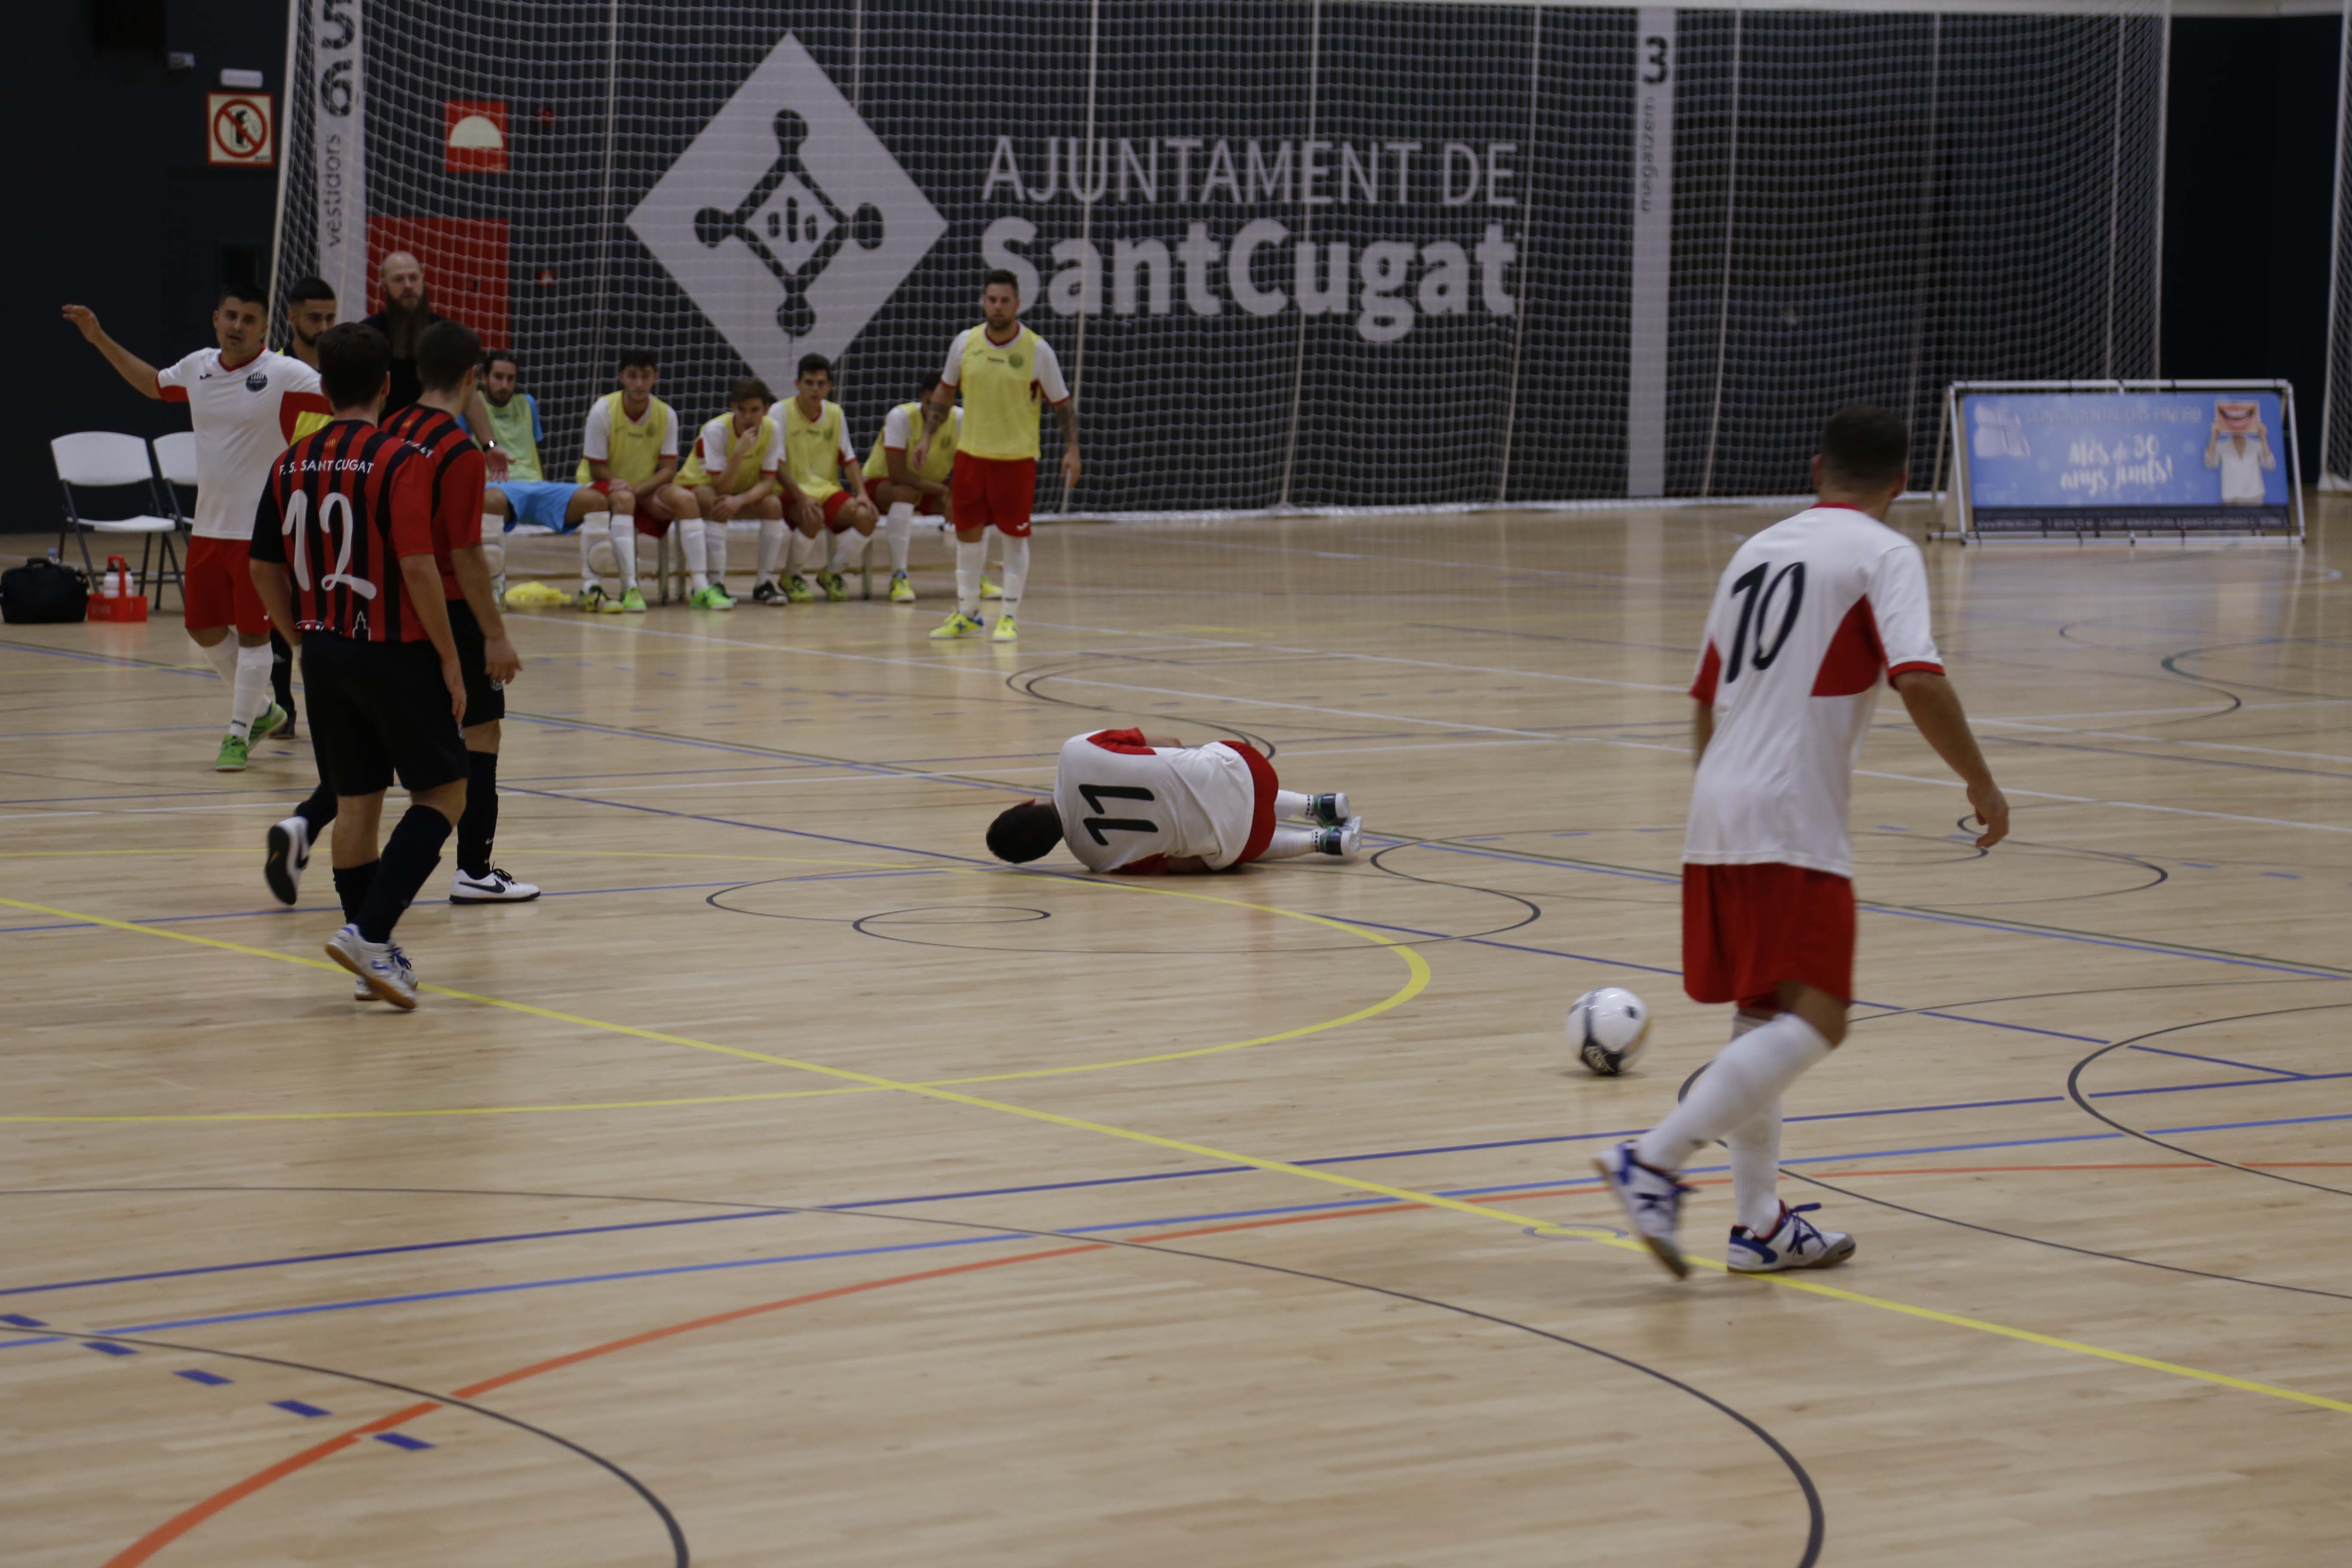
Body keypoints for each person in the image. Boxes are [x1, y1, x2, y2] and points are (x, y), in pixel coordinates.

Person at [1591, 404, 2010, 1279]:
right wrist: (1980, 780)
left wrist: (1723, 805)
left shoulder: (1757, 549)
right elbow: (1918, 678)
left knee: (1765, 1015)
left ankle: (1760, 1227)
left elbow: (1705, 696)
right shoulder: (1881, 551)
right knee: (1821, 1020)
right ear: (1902, 482)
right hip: (1789, 817)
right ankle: (1653, 1161)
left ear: (1816, 467)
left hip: (1718, 810)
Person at [247, 322, 469, 1008]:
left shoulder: (290, 462)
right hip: (391, 648)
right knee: (444, 795)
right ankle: (370, 934)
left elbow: (262, 567)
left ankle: (368, 953)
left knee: (355, 804)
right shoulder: (400, 459)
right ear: (385, 386)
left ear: (322, 382)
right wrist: (451, 660)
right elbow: (417, 566)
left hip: (325, 651)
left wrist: (298, 637)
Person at [62, 285, 328, 770]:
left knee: (253, 635)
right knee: (202, 628)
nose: (238, 326)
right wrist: (98, 337)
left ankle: (237, 733)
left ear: (266, 327)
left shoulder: (287, 373)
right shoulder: (198, 366)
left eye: (250, 319)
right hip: (208, 529)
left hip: (261, 533)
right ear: (216, 318)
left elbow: (346, 398)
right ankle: (265, 710)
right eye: (231, 316)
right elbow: (152, 383)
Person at [381, 321, 539, 905]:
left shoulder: (390, 429)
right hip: (449, 608)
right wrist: (495, 635)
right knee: (482, 735)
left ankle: (308, 826)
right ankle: (474, 868)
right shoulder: (460, 452)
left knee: (386, 746)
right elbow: (465, 552)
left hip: (393, 608)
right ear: (474, 378)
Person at [919, 269, 1080, 643]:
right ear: (983, 302)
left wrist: (1072, 449)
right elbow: (944, 392)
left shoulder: (1038, 351)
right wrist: (928, 437)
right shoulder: (965, 343)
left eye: (1005, 300)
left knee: (1013, 538)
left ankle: (1008, 614)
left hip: (1017, 459)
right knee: (967, 536)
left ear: (1017, 304)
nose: (997, 307)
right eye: (992, 299)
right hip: (972, 456)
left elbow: (1062, 405)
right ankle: (968, 612)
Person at [985, 728, 1362, 874]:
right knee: (1214, 777)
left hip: (1251, 840)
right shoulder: (1074, 752)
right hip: (1252, 768)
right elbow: (1169, 742)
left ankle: (1322, 842)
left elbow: (1181, 865)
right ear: (1025, 803)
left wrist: (1221, 857)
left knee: (1222, 838)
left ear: (1046, 851)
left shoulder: (1096, 859)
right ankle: (1317, 804)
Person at [574, 350, 704, 612]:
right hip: (601, 486)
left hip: (642, 487)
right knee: (623, 498)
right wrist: (632, 492)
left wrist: (638, 491)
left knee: (687, 499)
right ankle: (630, 588)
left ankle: (702, 587)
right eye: (633, 377)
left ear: (655, 378)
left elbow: (668, 470)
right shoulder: (603, 410)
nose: (639, 384)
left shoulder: (666, 414)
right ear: (622, 377)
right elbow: (597, 468)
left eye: (645, 377)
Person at [362, 251, 509, 482]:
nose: (408, 286)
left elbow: (469, 394)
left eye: (414, 278)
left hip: (436, 445)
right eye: (399, 280)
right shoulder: (369, 335)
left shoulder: (445, 333)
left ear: (423, 278)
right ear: (383, 285)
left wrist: (489, 446)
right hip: (383, 448)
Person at [478, 350, 605, 596]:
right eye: (498, 377)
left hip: (535, 486)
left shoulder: (527, 403)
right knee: (491, 502)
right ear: (484, 377)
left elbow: (531, 448)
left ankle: (593, 590)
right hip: (496, 487)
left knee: (597, 502)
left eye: (510, 379)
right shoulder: (473, 406)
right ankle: (494, 592)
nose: (505, 385)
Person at [275, 276, 343, 732]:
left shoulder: (344, 371)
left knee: (331, 617)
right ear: (292, 318)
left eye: (330, 318)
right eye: (315, 318)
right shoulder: (270, 369)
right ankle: (280, 708)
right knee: (277, 615)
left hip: (335, 504)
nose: (323, 326)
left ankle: (336, 713)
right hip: (280, 501)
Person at [769, 354, 879, 604]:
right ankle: (791, 576)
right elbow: (777, 465)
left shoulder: (835, 413)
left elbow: (849, 459)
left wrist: (862, 494)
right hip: (789, 491)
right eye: (809, 383)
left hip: (827, 490)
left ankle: (833, 573)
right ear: (798, 384)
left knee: (867, 516)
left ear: (830, 386)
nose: (815, 389)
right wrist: (802, 498)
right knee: (812, 515)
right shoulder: (780, 412)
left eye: (821, 383)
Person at [864, 372, 974, 606]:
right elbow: (898, 474)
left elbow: (967, 468)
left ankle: (975, 575)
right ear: (924, 398)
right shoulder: (900, 417)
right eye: (932, 404)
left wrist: (953, 495)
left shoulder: (961, 419)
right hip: (883, 485)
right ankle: (899, 577)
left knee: (971, 500)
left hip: (930, 487)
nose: (938, 412)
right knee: (904, 493)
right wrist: (945, 493)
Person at [680, 377, 785, 611]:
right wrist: (738, 454)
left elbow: (769, 482)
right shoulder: (716, 430)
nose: (748, 417)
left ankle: (764, 584)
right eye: (742, 410)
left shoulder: (773, 429)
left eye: (755, 410)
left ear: (766, 409)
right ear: (732, 407)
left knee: (773, 506)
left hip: (741, 490)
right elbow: (721, 487)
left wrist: (741, 500)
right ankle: (715, 583)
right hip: (702, 484)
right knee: (717, 502)